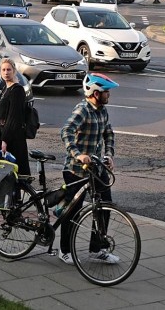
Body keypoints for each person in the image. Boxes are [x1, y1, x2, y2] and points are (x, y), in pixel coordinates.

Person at [56, 73, 120, 266]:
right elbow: (65, 131)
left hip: (96, 168)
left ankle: (97, 248)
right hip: (76, 169)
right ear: (94, 93)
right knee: (72, 212)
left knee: (104, 206)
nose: (108, 95)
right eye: (105, 92)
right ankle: (64, 250)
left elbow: (108, 133)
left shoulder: (102, 111)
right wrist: (78, 154)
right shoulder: (82, 110)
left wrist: (108, 155)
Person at [0, 58, 30, 177]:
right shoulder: (6, 89)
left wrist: (5, 140)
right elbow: (5, 112)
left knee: (15, 172)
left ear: (14, 71)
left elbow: (14, 117)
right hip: (5, 135)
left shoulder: (17, 90)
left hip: (13, 138)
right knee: (6, 174)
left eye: (9, 70)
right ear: (0, 72)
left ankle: (16, 195)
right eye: (4, 70)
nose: (6, 72)